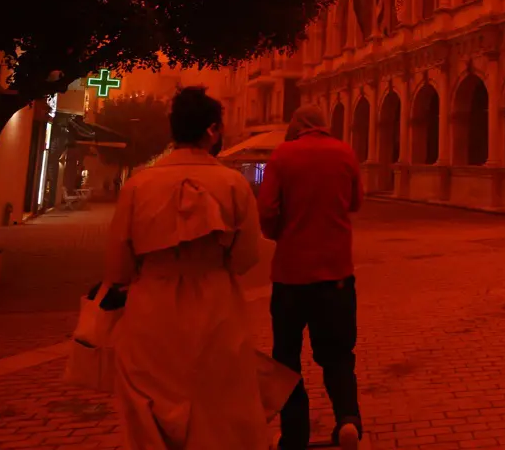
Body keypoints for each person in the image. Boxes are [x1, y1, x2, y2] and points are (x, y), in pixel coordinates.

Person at [104, 87, 269, 450]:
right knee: (219, 411)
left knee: (151, 413)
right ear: (213, 130)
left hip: (151, 307)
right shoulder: (233, 184)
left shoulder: (138, 185)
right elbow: (246, 259)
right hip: (216, 306)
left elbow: (118, 264)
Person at [259, 106, 364, 450]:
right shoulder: (345, 151)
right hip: (336, 273)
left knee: (286, 358)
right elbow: (355, 203)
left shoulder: (283, 155)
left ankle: (295, 435)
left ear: (296, 126)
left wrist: (279, 233)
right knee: (338, 353)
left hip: (291, 275)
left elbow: (267, 210)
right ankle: (348, 420)